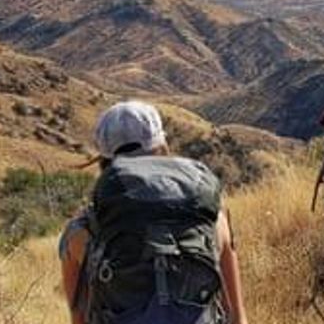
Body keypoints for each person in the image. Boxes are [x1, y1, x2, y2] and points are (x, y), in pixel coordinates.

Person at [59, 101, 249, 324]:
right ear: (161, 145)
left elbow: (79, 318)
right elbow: (237, 317)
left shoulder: (81, 232)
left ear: (104, 157)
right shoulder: (212, 218)